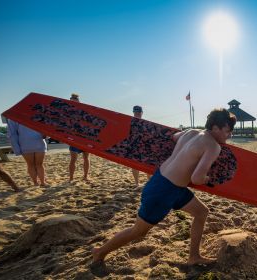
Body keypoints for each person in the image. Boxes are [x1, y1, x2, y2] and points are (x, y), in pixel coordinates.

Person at [92, 108, 236, 266]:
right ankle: (100, 252)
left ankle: (193, 256)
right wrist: (208, 177)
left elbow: (174, 137)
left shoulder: (192, 132)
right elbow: (197, 178)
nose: (229, 135)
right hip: (163, 192)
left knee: (201, 212)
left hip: (165, 181)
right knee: (138, 231)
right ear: (215, 128)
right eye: (227, 131)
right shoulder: (213, 146)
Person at [7, 119, 48, 186]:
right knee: (39, 164)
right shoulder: (37, 112)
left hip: (25, 142)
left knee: (30, 164)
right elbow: (46, 129)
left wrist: (16, 148)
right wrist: (46, 136)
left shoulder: (13, 116)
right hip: (39, 141)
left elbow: (12, 134)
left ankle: (35, 183)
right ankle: (43, 183)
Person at [68, 93, 90, 181]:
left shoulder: (84, 111)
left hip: (85, 138)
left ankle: (85, 176)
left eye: (75, 101)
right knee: (73, 159)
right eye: (72, 101)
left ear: (79, 101)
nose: (73, 103)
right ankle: (71, 178)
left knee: (86, 158)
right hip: (74, 139)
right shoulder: (68, 112)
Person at [131, 105, 143, 187]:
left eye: (138, 112)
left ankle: (149, 181)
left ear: (142, 113)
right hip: (134, 146)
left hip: (145, 146)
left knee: (148, 165)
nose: (137, 114)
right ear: (133, 112)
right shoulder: (130, 122)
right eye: (135, 112)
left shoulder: (146, 123)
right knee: (135, 165)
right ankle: (136, 183)